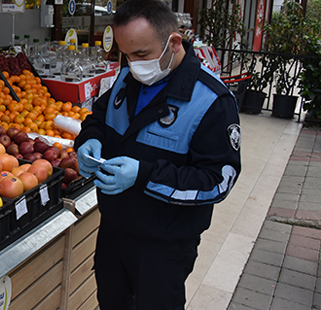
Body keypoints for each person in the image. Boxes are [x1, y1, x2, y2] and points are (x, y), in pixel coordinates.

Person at [73, 0, 241, 308]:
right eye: (125, 54)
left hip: (164, 245)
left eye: (141, 54)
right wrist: (89, 140)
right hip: (113, 230)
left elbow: (218, 180)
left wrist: (145, 175)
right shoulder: (126, 79)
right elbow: (98, 118)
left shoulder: (211, 101)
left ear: (174, 43)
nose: (134, 64)